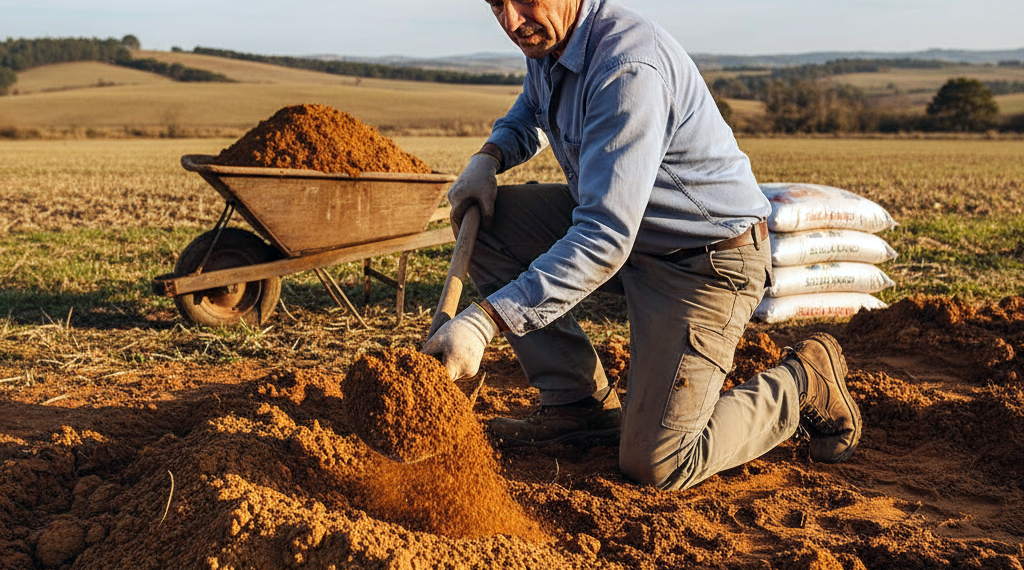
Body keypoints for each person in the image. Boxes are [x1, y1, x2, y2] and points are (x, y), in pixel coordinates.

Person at [422, 0, 861, 490]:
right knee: (490, 228)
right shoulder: (552, 42)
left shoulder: (627, 67)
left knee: (659, 463)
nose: (511, 21)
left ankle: (802, 382)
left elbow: (605, 237)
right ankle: (576, 405)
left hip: (704, 262)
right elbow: (532, 107)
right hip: (629, 234)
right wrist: (491, 154)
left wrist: (485, 322)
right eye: (495, 3)